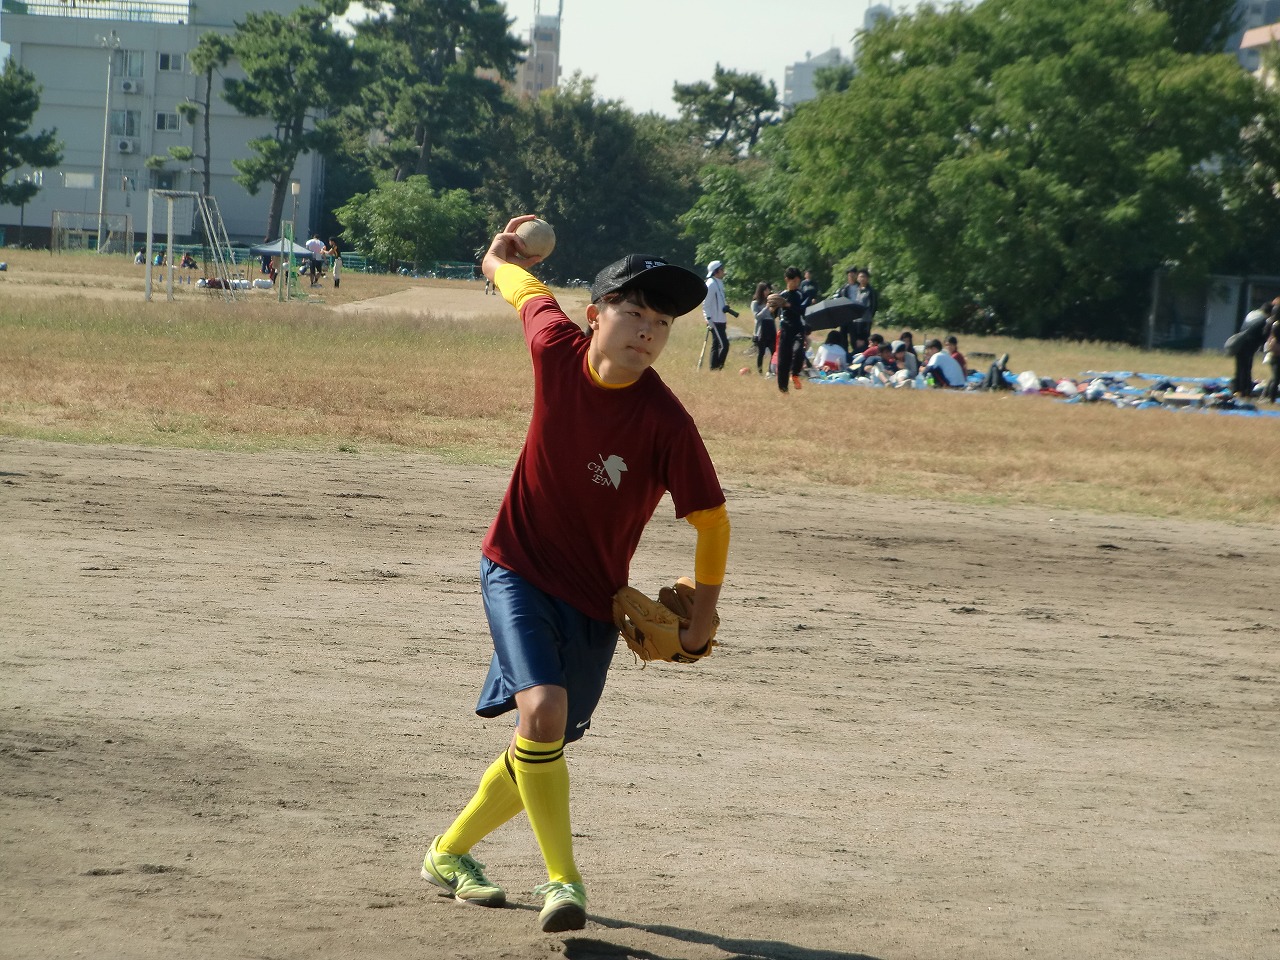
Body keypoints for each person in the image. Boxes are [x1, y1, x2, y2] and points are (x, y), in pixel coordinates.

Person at [422, 216, 730, 936]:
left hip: (594, 599)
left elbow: (712, 521)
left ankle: (447, 853)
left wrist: (703, 616)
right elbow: (522, 290)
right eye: (634, 313)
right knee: (543, 713)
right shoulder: (556, 349)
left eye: (662, 323)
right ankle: (565, 880)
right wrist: (498, 258)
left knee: (545, 739)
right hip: (517, 567)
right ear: (596, 316)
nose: (648, 331)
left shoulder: (666, 422)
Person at [768, 266, 808, 394]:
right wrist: (772, 308)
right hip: (785, 330)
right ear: (787, 280)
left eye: (798, 281)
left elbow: (801, 310)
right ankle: (783, 390)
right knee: (783, 360)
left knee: (798, 351)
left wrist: (787, 305)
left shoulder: (800, 294)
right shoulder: (782, 295)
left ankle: (795, 374)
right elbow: (773, 314)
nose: (796, 284)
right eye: (794, 281)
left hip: (798, 329)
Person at [1227, 300, 1273, 399]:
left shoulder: (1252, 314)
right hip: (1248, 346)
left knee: (1240, 368)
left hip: (1239, 343)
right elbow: (1264, 336)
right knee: (1246, 369)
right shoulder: (1263, 320)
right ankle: (1245, 391)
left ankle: (1237, 389)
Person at [702, 260, 731, 370]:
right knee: (724, 345)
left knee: (717, 344)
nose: (723, 271)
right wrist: (708, 319)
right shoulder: (711, 284)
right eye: (722, 269)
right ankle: (718, 368)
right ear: (716, 271)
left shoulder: (719, 282)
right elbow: (706, 304)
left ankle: (713, 368)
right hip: (715, 320)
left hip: (721, 319)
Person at [750, 281, 776, 376]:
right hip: (761, 330)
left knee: (773, 351)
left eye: (768, 290)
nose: (767, 292)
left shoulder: (769, 302)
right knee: (761, 352)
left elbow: (772, 316)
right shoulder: (755, 303)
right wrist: (766, 308)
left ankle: (770, 371)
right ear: (761, 291)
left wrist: (773, 309)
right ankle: (760, 372)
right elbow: (757, 316)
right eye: (766, 290)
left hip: (771, 328)